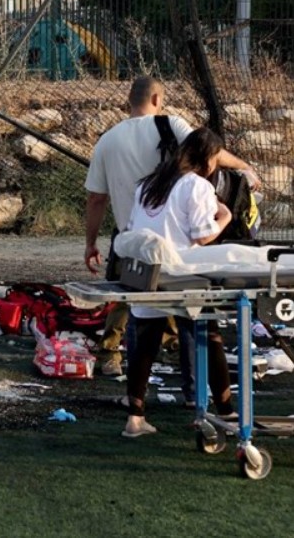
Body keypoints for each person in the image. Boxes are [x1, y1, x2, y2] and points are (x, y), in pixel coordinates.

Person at [84, 75, 259, 377]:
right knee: (190, 309)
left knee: (129, 299)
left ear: (129, 100)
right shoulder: (171, 126)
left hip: (131, 236)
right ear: (156, 100)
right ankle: (194, 384)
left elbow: (96, 199)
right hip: (173, 239)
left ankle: (114, 358)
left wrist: (90, 243)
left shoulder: (107, 140)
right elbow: (207, 150)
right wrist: (243, 166)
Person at [121, 127, 236, 437]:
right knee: (208, 336)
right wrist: (224, 217)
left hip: (148, 273)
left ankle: (135, 417)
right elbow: (202, 235)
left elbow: (134, 226)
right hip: (183, 275)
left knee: (145, 343)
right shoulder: (197, 186)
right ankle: (228, 411)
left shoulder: (149, 183)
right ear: (209, 160)